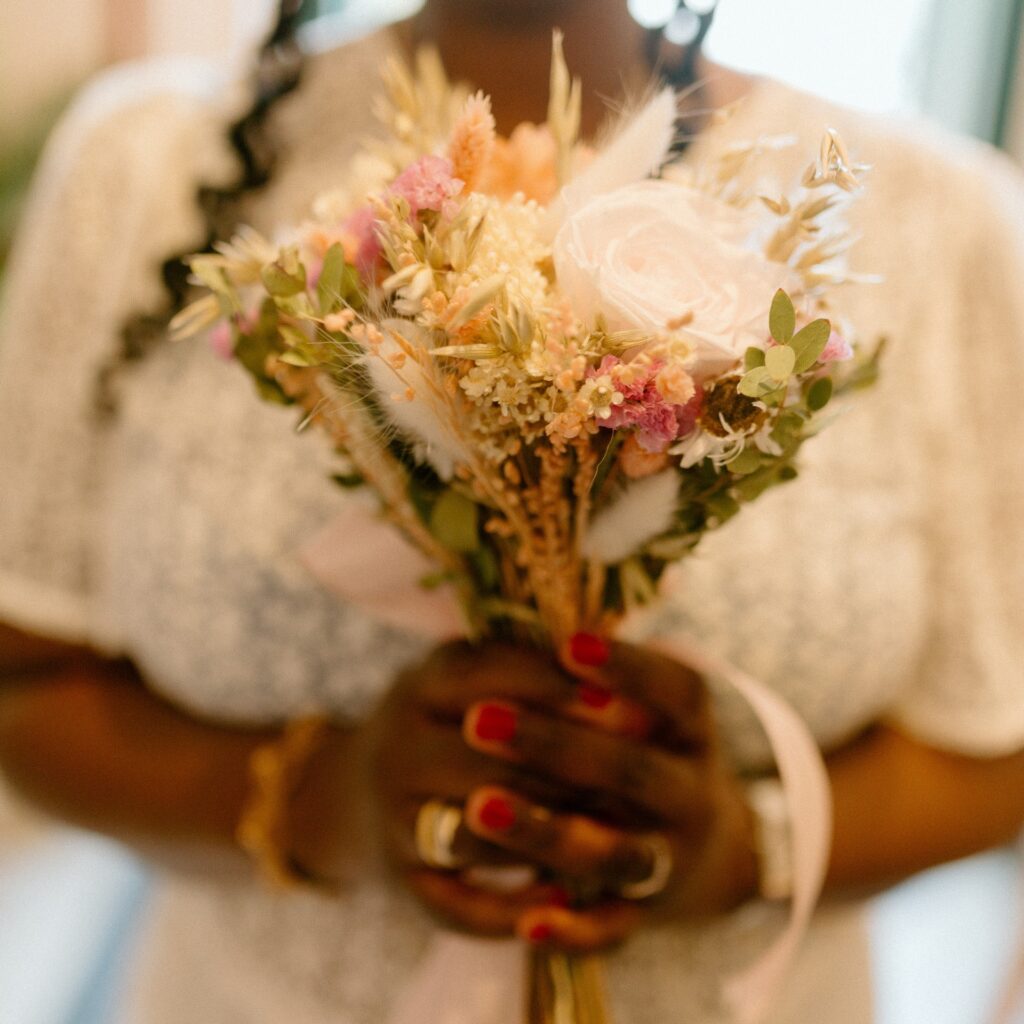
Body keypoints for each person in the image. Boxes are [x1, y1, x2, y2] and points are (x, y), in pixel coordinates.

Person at [0, 1, 1022, 1021]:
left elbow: (994, 749)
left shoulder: (941, 220)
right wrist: (319, 803)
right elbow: (26, 678)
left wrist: (746, 845)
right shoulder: (144, 165)